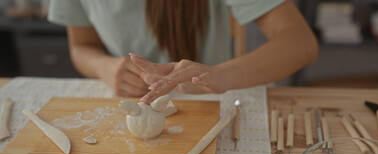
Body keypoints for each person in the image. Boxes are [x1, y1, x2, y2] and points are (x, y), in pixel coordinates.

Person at [48, 0, 318, 103]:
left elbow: (299, 42)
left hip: (212, 103)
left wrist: (221, 74)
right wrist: (105, 67)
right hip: (127, 101)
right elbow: (81, 47)